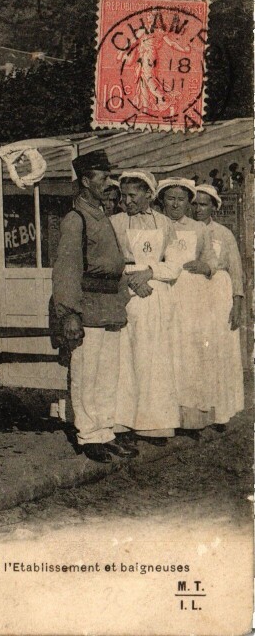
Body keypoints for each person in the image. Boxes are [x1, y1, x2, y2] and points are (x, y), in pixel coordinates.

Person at [52, 151, 136, 463]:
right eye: (101, 177)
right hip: (86, 306)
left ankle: (104, 431)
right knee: (86, 374)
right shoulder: (76, 220)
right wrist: (69, 312)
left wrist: (122, 297)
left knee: (107, 374)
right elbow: (66, 269)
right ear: (85, 181)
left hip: (109, 306)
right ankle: (87, 436)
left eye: (107, 176)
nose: (107, 182)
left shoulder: (101, 215)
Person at [110, 171, 181, 446]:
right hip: (125, 293)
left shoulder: (164, 223)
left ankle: (154, 425)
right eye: (123, 196)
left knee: (152, 359)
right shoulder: (114, 222)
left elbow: (174, 265)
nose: (126, 201)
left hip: (154, 294)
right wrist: (131, 280)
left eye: (132, 195)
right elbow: (109, 260)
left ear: (149, 195)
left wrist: (150, 272)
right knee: (124, 359)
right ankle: (122, 422)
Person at [158, 178, 217, 438]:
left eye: (181, 199)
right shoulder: (155, 224)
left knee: (189, 357)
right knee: (163, 355)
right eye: (170, 198)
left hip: (190, 298)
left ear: (189, 202)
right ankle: (163, 419)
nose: (175, 204)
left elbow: (211, 261)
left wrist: (205, 267)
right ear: (162, 200)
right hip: (162, 294)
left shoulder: (197, 229)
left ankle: (191, 420)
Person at [194, 184, 245, 430]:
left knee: (218, 350)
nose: (198, 209)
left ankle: (219, 412)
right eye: (194, 203)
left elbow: (236, 270)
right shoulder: (184, 230)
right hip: (193, 297)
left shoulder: (223, 234)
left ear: (214, 207)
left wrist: (237, 303)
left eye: (203, 204)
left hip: (218, 294)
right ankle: (196, 412)